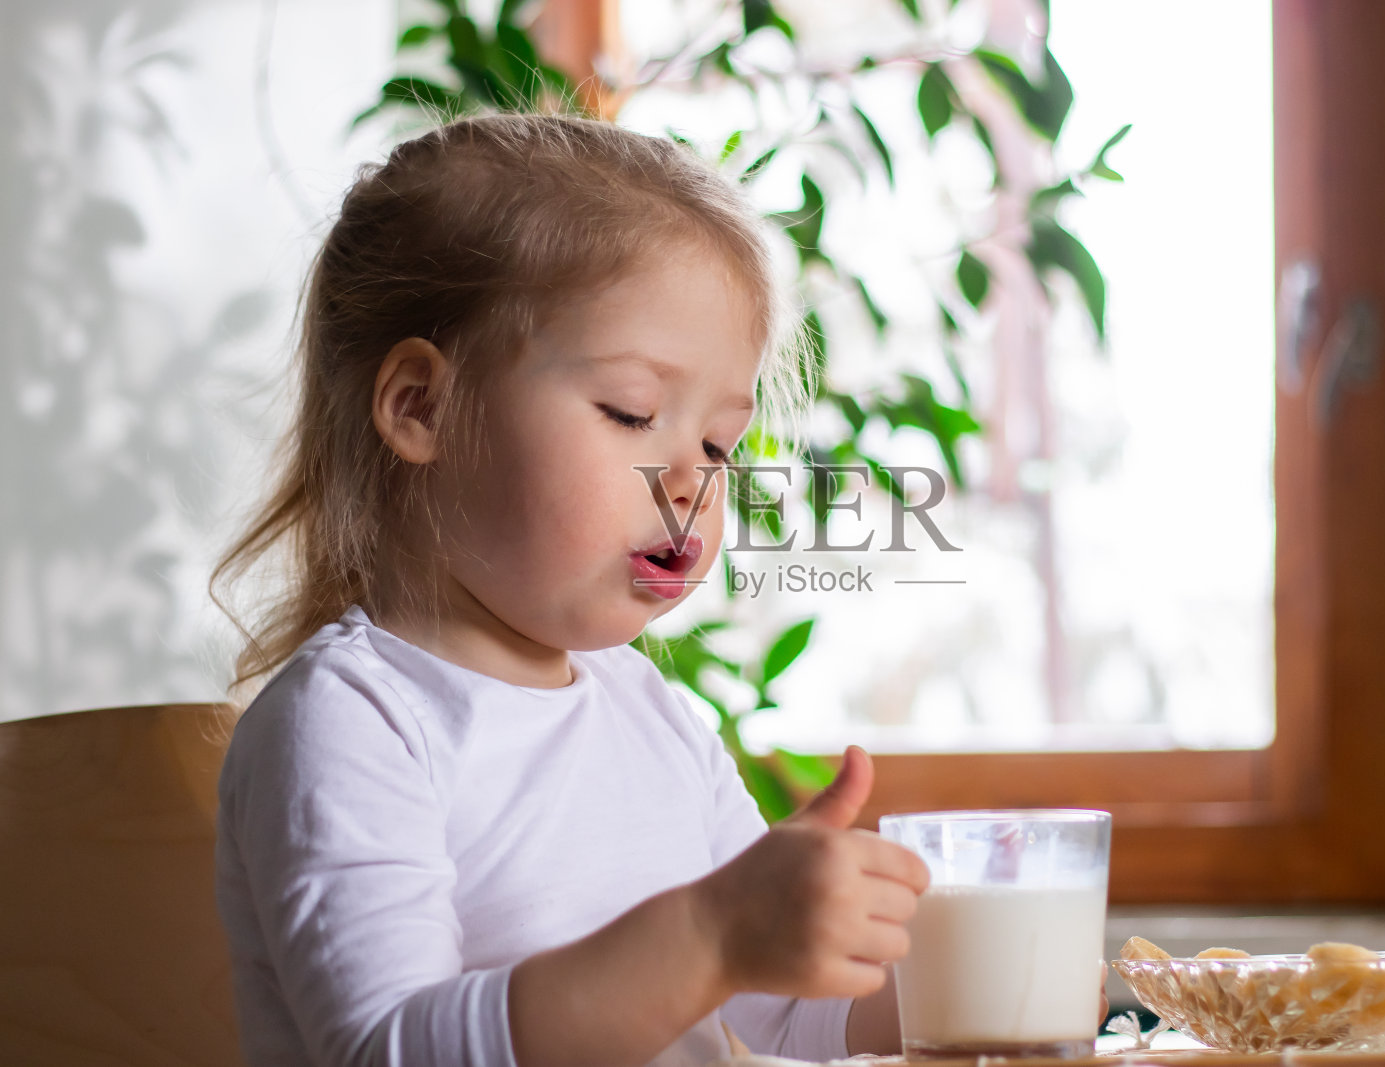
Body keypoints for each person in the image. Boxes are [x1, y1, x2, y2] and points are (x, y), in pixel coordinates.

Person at [209, 112, 930, 1067]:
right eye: (633, 412)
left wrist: (947, 983)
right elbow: (390, 1047)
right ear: (422, 405)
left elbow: (785, 1016)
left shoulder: (659, 721)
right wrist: (709, 935)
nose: (692, 482)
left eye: (717, 444)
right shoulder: (353, 721)